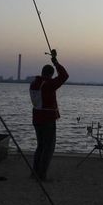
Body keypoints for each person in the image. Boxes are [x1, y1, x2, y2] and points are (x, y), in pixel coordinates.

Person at [29, 49, 68, 181]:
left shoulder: (34, 83)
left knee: (40, 146)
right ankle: (42, 175)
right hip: (47, 120)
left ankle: (35, 173)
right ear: (51, 74)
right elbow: (64, 76)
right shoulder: (48, 84)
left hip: (36, 118)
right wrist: (55, 62)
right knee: (48, 147)